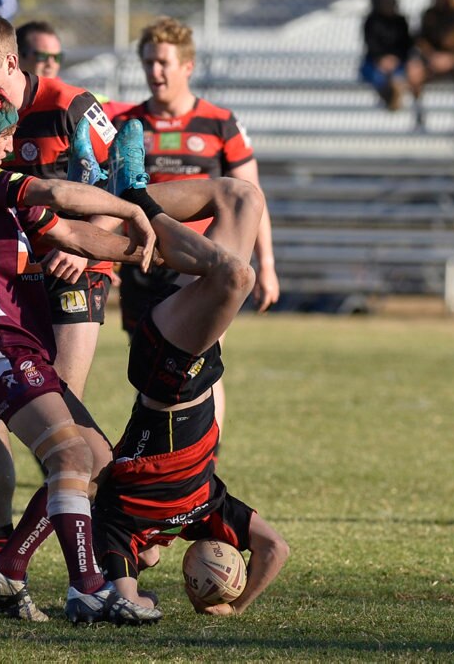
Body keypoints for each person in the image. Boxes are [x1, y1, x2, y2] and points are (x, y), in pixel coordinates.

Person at [0, 81, 161, 625]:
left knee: (95, 460)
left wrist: (154, 249)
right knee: (70, 457)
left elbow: (74, 236)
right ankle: (88, 588)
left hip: (19, 344)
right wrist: (130, 205)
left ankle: (6, 566)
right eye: (6, 135)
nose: (10, 146)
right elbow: (56, 194)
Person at [0, 11, 126, 575]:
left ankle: (13, 563)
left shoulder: (72, 106)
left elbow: (127, 182)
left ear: (10, 63)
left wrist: (90, 247)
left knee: (62, 420)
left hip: (74, 274)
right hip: (8, 283)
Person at [91, 121, 290, 617]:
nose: (157, 557)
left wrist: (137, 590)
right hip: (199, 357)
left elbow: (126, 597)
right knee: (242, 197)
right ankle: (116, 198)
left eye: (147, 560)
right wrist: (236, 606)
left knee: (235, 276)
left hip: (166, 373)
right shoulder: (208, 506)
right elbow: (275, 550)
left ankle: (129, 198)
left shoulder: (117, 517)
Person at [113, 15, 279, 437]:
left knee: (204, 354)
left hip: (204, 260)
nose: (155, 72)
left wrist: (268, 265)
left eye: (164, 62)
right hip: (144, 257)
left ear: (187, 66)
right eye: (148, 62)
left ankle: (205, 451)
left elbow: (250, 196)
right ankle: (158, 448)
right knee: (149, 358)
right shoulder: (128, 124)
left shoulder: (220, 123)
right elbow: (112, 199)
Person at [360, 0, 412, 111]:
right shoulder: (371, 21)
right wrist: (380, 59)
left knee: (399, 75)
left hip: (397, 61)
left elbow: (405, 43)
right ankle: (388, 99)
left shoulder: (400, 21)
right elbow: (371, 43)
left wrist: (395, 58)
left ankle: (394, 98)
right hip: (375, 61)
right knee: (376, 76)